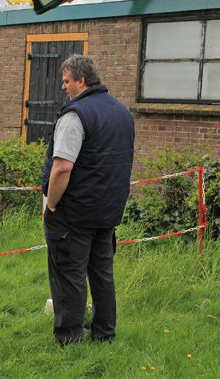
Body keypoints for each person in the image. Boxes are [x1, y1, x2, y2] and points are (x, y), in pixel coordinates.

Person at [41, 54, 135, 344]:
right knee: (102, 274)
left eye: (66, 81)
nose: (63, 87)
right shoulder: (123, 112)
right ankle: (104, 333)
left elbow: (63, 167)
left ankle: (69, 338)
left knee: (70, 274)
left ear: (81, 81)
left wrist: (52, 204)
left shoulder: (75, 115)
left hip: (75, 213)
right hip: (108, 211)